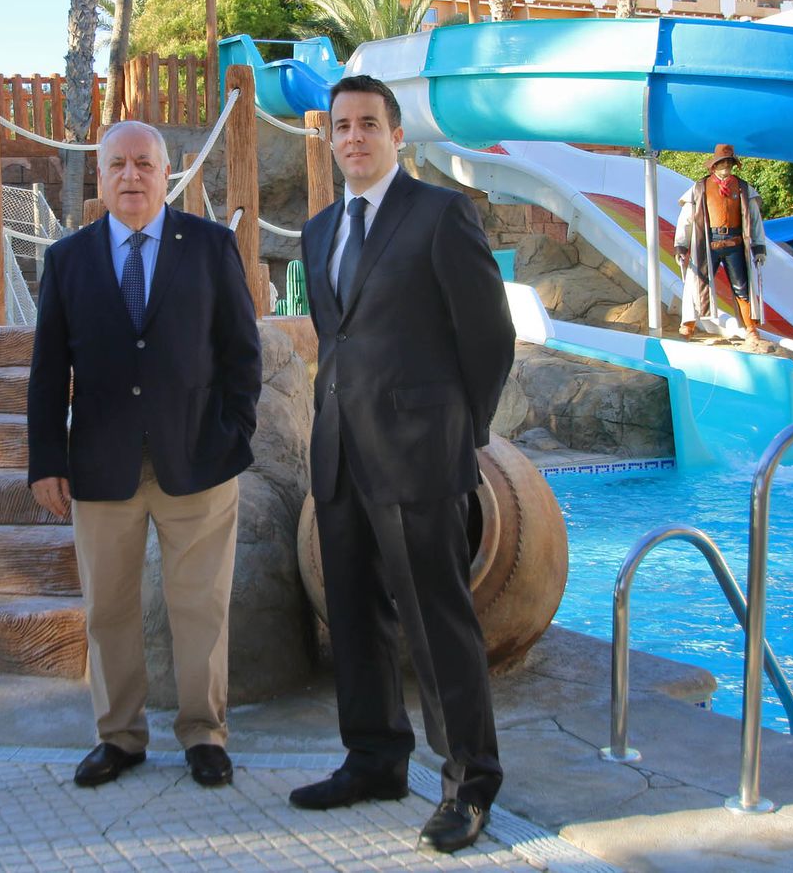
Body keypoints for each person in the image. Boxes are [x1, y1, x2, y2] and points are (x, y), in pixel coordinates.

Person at [290, 75, 515, 854]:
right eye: (342, 126)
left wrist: (461, 429)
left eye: (368, 124)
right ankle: (375, 758)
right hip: (341, 454)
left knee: (436, 624)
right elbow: (337, 342)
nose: (354, 137)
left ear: (396, 136)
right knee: (353, 614)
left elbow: (488, 338)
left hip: (420, 456)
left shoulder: (441, 214)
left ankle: (469, 784)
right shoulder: (320, 230)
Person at [27, 120, 262, 791]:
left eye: (144, 164)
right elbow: (48, 371)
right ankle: (120, 737)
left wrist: (234, 432)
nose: (131, 175)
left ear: (168, 174)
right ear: (100, 177)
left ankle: (205, 736)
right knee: (107, 609)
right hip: (101, 465)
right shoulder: (67, 260)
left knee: (201, 607)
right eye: (118, 165)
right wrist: (47, 458)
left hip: (200, 462)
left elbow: (242, 355)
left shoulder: (212, 247)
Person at [675, 144, 766, 340]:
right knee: (695, 281)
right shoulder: (700, 188)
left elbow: (755, 218)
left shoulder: (743, 188)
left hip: (735, 244)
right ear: (713, 166)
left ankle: (751, 328)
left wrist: (759, 247)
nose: (725, 166)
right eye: (722, 162)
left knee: (742, 286)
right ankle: (688, 324)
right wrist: (681, 246)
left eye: (729, 162)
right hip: (708, 243)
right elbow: (686, 219)